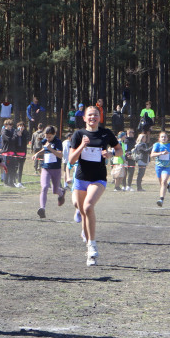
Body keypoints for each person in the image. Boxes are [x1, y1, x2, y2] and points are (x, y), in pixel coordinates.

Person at [67, 106, 122, 266]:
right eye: (90, 115)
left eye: (96, 115)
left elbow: (119, 150)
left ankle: (92, 246)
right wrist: (82, 146)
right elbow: (71, 160)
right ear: (84, 118)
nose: (93, 117)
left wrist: (111, 154)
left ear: (100, 117)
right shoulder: (78, 134)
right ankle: (88, 250)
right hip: (81, 178)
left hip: (98, 178)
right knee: (83, 211)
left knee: (88, 206)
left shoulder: (106, 133)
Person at [32, 125, 65, 219]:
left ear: (54, 134)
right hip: (45, 168)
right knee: (44, 187)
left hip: (56, 169)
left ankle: (61, 192)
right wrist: (37, 153)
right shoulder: (45, 141)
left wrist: (50, 148)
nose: (48, 139)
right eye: (46, 137)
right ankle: (42, 209)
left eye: (50, 137)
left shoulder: (58, 142)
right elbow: (45, 149)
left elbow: (60, 155)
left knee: (55, 190)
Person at [153, 131, 170, 207]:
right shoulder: (157, 145)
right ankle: (168, 186)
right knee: (162, 184)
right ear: (159, 138)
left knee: (164, 181)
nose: (163, 138)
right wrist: (161, 153)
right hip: (158, 167)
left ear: (167, 138)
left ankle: (161, 200)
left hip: (167, 167)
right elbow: (152, 154)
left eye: (165, 137)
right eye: (162, 137)